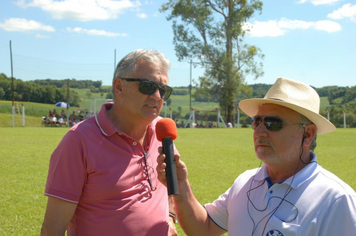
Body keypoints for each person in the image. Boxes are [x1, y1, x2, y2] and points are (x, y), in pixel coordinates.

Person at [157, 77, 356, 236]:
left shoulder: (338, 200)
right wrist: (181, 185)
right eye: (257, 121)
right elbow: (204, 228)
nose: (259, 131)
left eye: (272, 123)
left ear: (308, 134)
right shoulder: (245, 182)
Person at [41, 49, 178, 236]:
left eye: (163, 90)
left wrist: (170, 216)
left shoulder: (163, 133)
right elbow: (52, 230)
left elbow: (170, 183)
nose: (157, 96)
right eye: (148, 86)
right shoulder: (79, 140)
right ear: (119, 87)